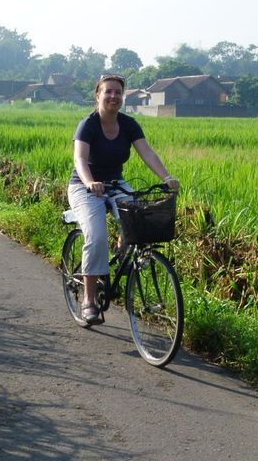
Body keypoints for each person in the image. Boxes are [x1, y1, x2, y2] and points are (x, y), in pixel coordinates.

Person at [68, 74, 180, 324]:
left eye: (118, 92)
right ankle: (88, 300)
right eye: (108, 92)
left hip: (116, 184)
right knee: (96, 237)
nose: (113, 96)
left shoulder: (129, 125)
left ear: (123, 96)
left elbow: (147, 153)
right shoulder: (88, 124)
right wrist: (89, 182)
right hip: (84, 186)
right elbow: (80, 159)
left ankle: (119, 262)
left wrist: (166, 177)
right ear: (98, 95)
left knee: (139, 224)